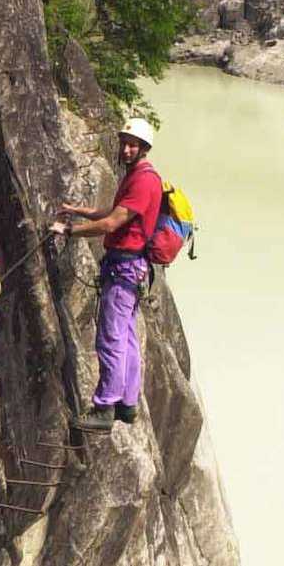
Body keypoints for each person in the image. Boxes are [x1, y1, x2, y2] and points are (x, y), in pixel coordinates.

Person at [51, 118, 163, 432]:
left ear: (144, 148)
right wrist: (79, 211)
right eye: (124, 143)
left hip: (124, 267)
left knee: (111, 338)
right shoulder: (138, 176)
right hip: (130, 267)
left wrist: (69, 230)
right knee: (126, 337)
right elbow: (114, 213)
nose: (126, 149)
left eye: (132, 145)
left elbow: (112, 223)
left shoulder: (143, 181)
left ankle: (105, 407)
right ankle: (127, 404)